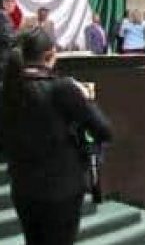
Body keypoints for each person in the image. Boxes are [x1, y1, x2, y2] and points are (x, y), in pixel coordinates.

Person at [0, 29, 113, 244]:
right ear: (50, 55)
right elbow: (104, 130)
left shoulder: (9, 91)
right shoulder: (63, 88)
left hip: (23, 188)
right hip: (61, 189)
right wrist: (85, 98)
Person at [0, 0, 16, 81]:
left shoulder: (6, 17)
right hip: (3, 61)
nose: (14, 4)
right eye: (12, 1)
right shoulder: (3, 19)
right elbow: (9, 39)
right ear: (4, 3)